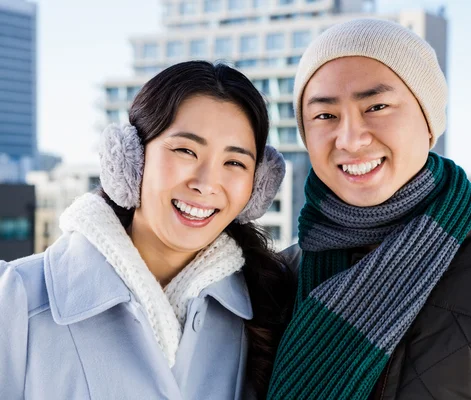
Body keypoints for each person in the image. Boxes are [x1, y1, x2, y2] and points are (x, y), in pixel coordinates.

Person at [267, 19, 471, 399]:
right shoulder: (275, 282)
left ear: (429, 122)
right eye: (325, 116)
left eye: (376, 106)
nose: (351, 139)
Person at [0, 61, 293, 399]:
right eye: (186, 150)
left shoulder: (269, 307)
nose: (206, 183)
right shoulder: (17, 301)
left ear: (257, 187)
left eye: (234, 163)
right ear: (130, 159)